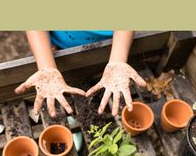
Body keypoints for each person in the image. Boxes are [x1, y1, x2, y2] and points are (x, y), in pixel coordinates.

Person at [17, 31, 146, 118]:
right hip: (63, 46)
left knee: (103, 86)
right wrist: (46, 66)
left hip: (111, 46)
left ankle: (101, 111)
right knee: (65, 84)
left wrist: (118, 59)